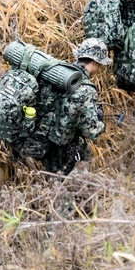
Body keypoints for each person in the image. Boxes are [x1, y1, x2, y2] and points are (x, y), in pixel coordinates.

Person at [30, 39, 108, 175]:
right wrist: (101, 123)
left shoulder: (58, 74)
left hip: (39, 138)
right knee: (63, 183)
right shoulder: (86, 89)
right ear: (95, 62)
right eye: (100, 64)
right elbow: (92, 132)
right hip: (61, 148)